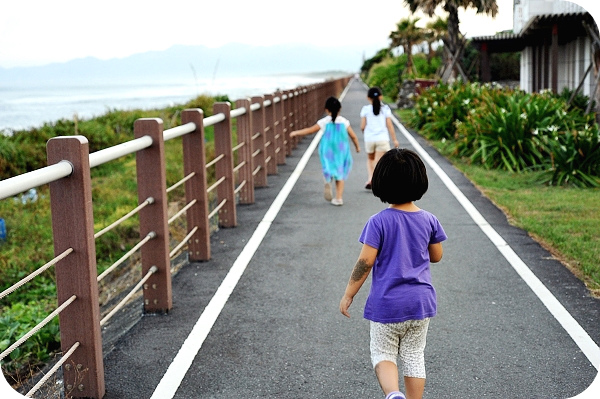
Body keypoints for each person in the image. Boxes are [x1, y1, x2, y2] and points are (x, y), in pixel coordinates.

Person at [339, 148, 447, 399]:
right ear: (420, 181)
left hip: (387, 304)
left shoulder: (378, 222)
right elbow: (437, 255)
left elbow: (365, 262)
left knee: (383, 353)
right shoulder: (429, 220)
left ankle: (393, 394)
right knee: (413, 354)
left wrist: (348, 294)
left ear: (381, 183)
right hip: (421, 303)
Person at [290, 96, 360, 206]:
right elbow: (353, 136)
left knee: (329, 166)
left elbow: (310, 131)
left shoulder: (324, 122)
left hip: (327, 150)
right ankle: (339, 198)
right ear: (339, 109)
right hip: (341, 151)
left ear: (326, 110)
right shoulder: (344, 122)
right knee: (340, 173)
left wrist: (296, 133)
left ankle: (328, 178)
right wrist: (357, 147)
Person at [360, 87, 399, 190]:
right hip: (382, 138)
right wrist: (394, 139)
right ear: (381, 96)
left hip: (369, 139)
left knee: (370, 159)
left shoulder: (365, 109)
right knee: (379, 161)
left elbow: (362, 126)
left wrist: (365, 131)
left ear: (368, 98)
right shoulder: (385, 109)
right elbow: (390, 125)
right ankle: (377, 180)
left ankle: (371, 178)